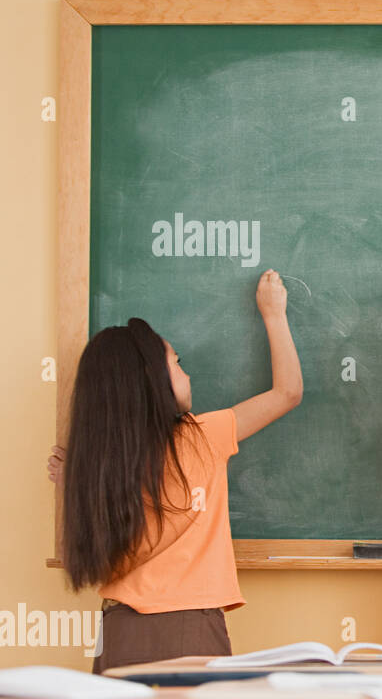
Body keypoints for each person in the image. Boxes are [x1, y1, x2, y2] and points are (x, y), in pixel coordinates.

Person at [49, 270, 302, 673]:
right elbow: (288, 392)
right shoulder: (203, 437)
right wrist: (274, 314)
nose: (187, 372)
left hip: (117, 629)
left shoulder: (102, 465)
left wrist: (73, 484)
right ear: (153, 379)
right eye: (176, 362)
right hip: (190, 626)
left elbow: (84, 550)